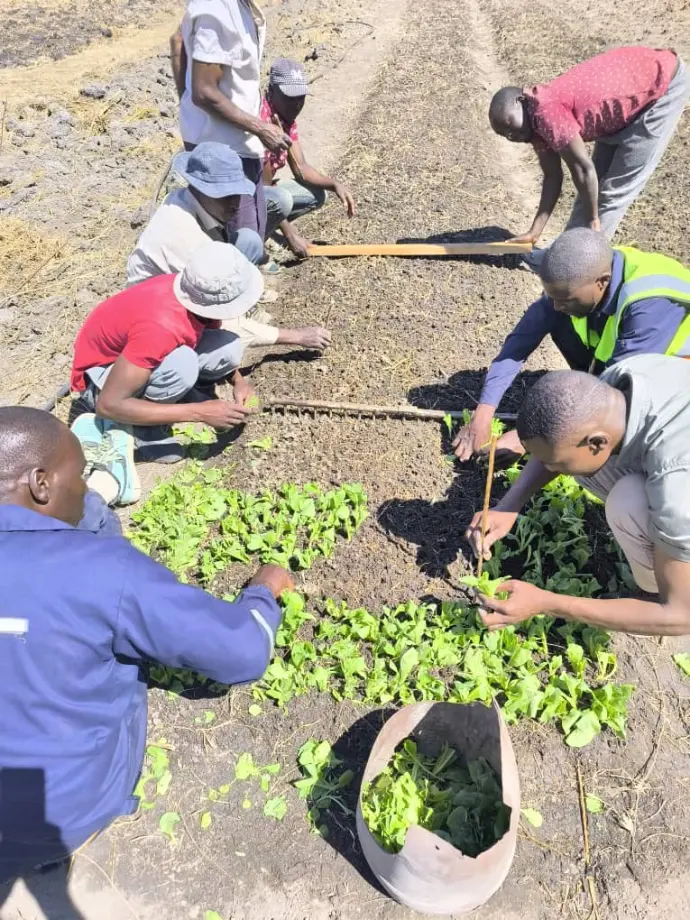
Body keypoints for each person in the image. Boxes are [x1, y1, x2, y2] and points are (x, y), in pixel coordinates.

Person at [0, 406, 294, 881]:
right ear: (40, 483)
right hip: (55, 818)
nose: (84, 488)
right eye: (79, 476)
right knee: (97, 525)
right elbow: (242, 652)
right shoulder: (101, 570)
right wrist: (263, 591)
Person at [465, 355, 690, 636]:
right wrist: (510, 505)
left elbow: (683, 616)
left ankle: (654, 592)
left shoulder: (677, 482)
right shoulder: (618, 385)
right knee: (583, 467)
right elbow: (561, 438)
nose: (548, 469)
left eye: (553, 463)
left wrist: (547, 603)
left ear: (597, 442)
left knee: (629, 501)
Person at [453, 228, 690, 461]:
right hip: (624, 357)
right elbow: (519, 343)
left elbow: (616, 392)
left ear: (602, 282)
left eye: (565, 299)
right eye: (553, 297)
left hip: (674, 378)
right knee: (557, 318)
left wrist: (527, 439)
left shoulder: (649, 305)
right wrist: (483, 412)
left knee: (621, 428)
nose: (556, 306)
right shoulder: (580, 273)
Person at [71, 241, 262, 474]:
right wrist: (200, 412)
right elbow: (108, 404)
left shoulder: (195, 294)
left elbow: (204, 336)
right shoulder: (160, 327)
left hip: (139, 358)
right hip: (102, 381)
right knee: (183, 365)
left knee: (228, 347)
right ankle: (142, 428)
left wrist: (239, 381)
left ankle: (177, 396)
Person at [128, 142, 330, 352]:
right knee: (228, 349)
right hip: (160, 318)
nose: (235, 203)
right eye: (226, 196)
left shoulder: (190, 200)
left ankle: (240, 304)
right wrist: (296, 336)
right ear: (199, 188)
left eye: (237, 193)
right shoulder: (187, 240)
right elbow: (226, 323)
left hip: (189, 285)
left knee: (249, 241)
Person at [489, 46, 690, 246]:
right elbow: (553, 176)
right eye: (504, 134)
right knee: (590, 193)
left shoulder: (545, 111)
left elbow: (584, 170)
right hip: (621, 103)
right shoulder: (534, 129)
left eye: (509, 124)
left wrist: (593, 220)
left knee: (613, 192)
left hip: (660, 86)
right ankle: (567, 252)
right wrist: (535, 232)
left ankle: (586, 258)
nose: (511, 135)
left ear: (521, 100)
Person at [170, 0, 290, 240]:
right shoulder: (217, 9)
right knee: (243, 241)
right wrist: (261, 128)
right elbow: (204, 92)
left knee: (251, 234)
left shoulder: (237, 6)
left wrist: (186, 102)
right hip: (223, 152)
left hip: (239, 141)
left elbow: (178, 39)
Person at [261, 58, 356, 259]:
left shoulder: (284, 118)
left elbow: (301, 168)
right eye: (290, 98)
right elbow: (263, 191)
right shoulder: (263, 123)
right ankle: (260, 238)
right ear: (272, 91)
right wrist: (290, 234)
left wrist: (334, 184)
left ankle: (268, 227)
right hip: (247, 197)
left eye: (301, 98)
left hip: (265, 192)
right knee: (282, 200)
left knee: (318, 194)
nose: (297, 104)